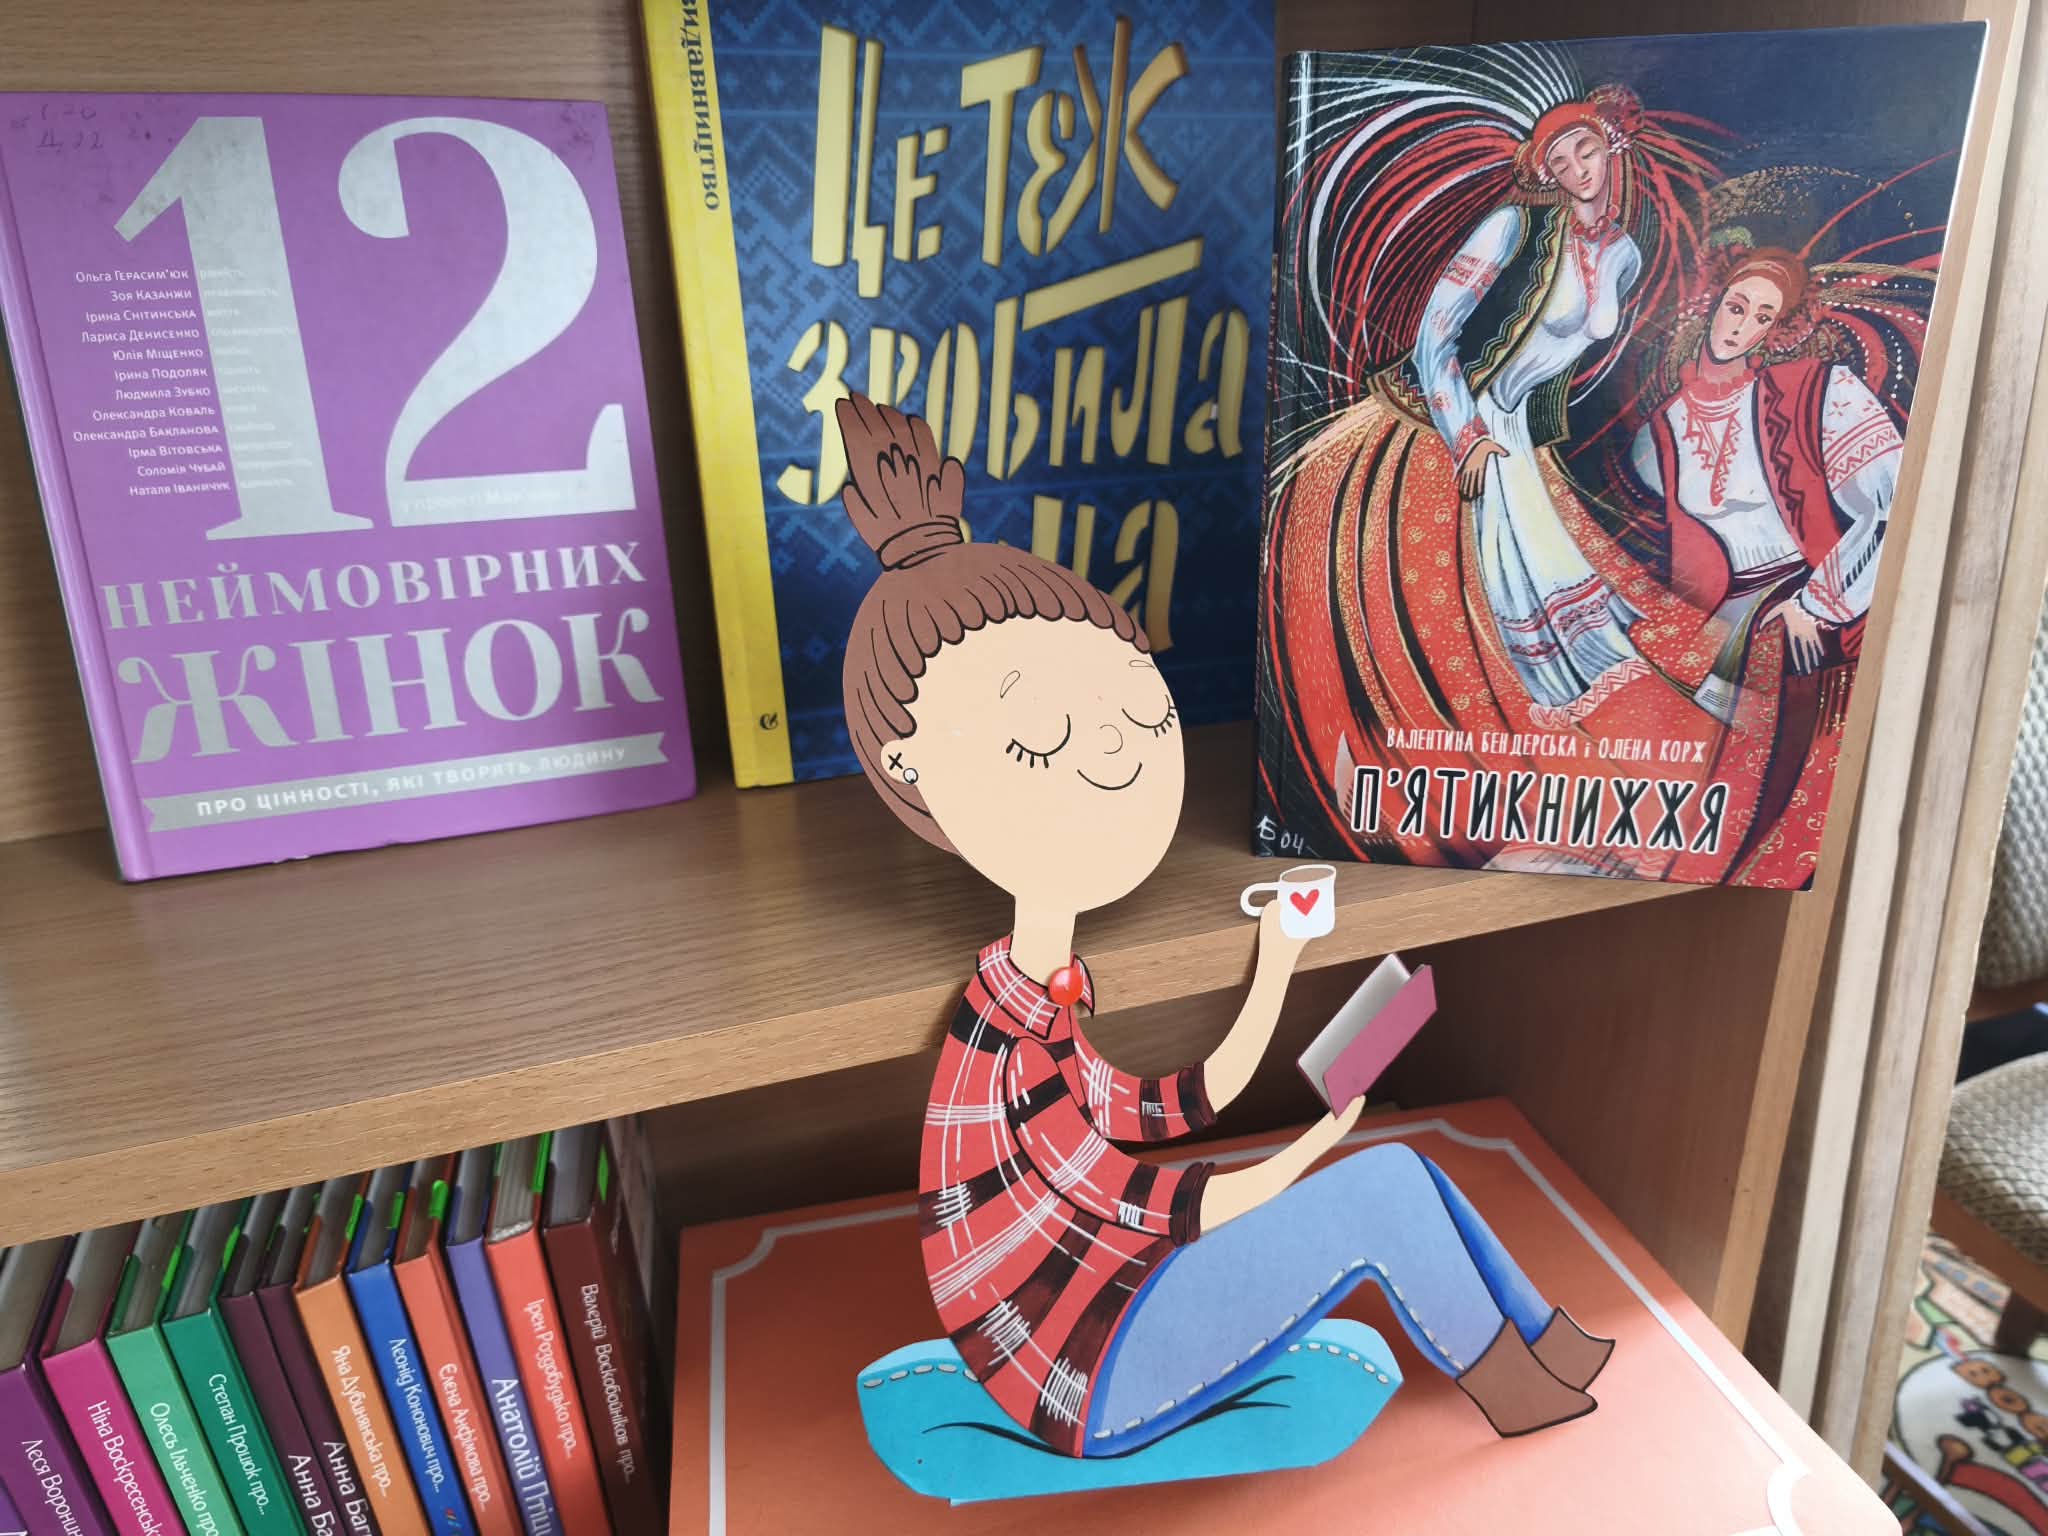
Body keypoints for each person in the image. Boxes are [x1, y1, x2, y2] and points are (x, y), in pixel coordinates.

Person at [836, 393, 1611, 1459]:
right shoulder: (999, 1043)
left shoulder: (1043, 989)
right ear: (909, 768)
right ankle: (1521, 1395)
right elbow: (1152, 1199)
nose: (1115, 751)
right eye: (1047, 733)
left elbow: (1166, 1107)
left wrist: (1275, 967)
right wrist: (1316, 1146)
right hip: (1085, 1364)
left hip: (1119, 1297)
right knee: (1381, 1183)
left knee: (1410, 1169)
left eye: (1136, 710)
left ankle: (1549, 1344)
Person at [1265, 80, 1719, 861]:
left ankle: (1591, 796)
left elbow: (1562, 362)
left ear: (1611, 147)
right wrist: (1468, 436)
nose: (1575, 169)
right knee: (1467, 620)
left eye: (1584, 150)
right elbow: (1433, 338)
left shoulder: (1625, 254)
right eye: (1558, 160)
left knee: (1569, 599)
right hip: (1448, 428)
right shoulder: (1514, 226)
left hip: (1518, 439)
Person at [1625, 244, 1901, 880]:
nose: (1739, 326)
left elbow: (1891, 508)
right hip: (1720, 620)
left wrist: (1817, 604)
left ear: (1778, 330)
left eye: (1761, 317)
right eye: (1735, 306)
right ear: (1714, 305)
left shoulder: (1820, 391)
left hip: (1805, 605)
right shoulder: (1659, 431)